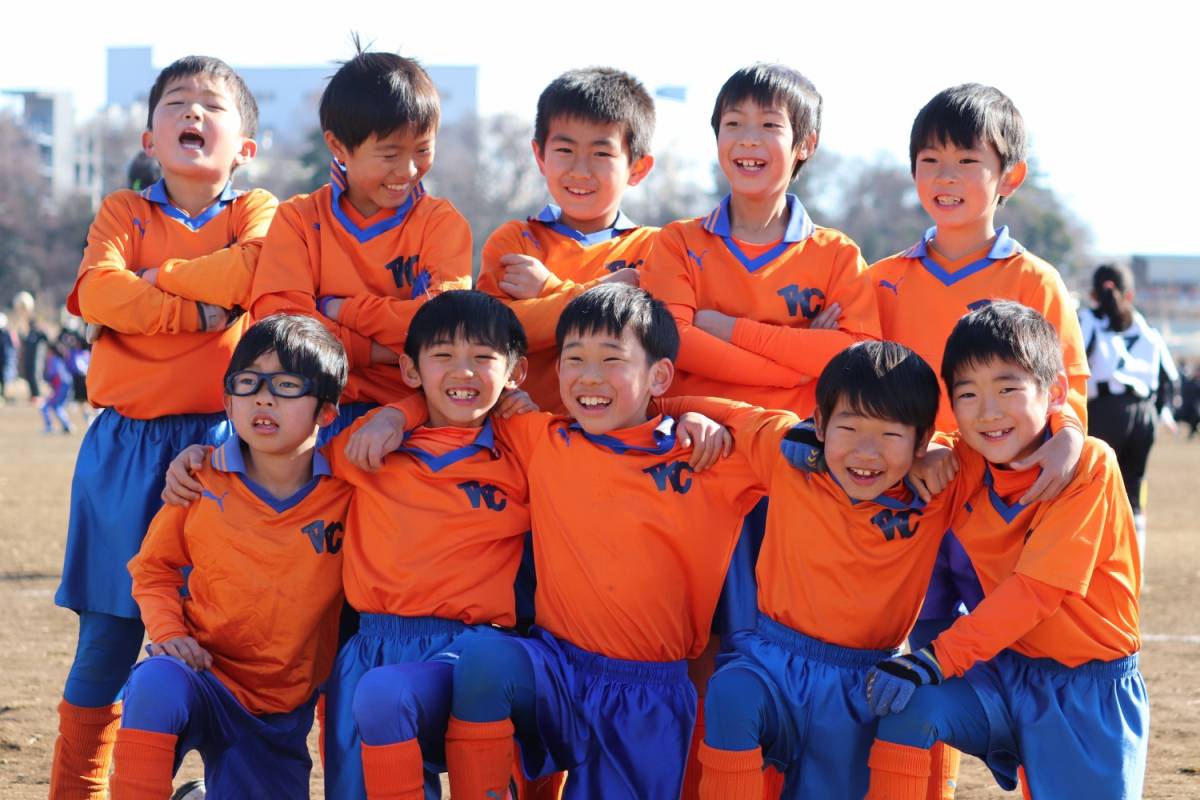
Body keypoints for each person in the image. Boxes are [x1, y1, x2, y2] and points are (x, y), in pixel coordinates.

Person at [356, 284, 762, 799]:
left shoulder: (708, 455)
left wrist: (696, 411)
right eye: (574, 359)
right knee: (485, 659)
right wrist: (395, 414)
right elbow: (454, 400)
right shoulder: (540, 436)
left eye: (611, 360)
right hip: (555, 668)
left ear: (658, 375)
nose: (589, 377)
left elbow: (789, 432)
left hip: (645, 690)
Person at [49, 55, 276, 799]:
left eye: (211, 104)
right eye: (177, 103)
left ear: (245, 146)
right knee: (108, 642)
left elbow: (252, 270)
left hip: (225, 445)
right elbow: (97, 292)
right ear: (150, 138)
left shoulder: (256, 213)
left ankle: (207, 786)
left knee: (221, 639)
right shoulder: (124, 211)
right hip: (124, 448)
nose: (193, 113)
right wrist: (198, 314)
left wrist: (156, 285)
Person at [867, 84, 1092, 797]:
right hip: (914, 505)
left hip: (1001, 512)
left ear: (1009, 177)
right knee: (919, 665)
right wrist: (919, 451)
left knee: (1018, 651)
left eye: (968, 161)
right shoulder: (884, 282)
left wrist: (1068, 436)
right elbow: (865, 396)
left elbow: (1070, 389)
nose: (947, 177)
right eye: (930, 160)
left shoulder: (1034, 280)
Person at [864, 302, 1147, 800]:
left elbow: (1036, 593)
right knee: (909, 710)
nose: (988, 411)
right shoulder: (963, 461)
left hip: (1088, 689)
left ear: (1054, 391)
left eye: (1007, 389)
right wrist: (917, 455)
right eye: (968, 394)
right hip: (1001, 671)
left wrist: (935, 659)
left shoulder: (1090, 467)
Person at [110, 314, 352, 799]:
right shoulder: (199, 480)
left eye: (286, 385)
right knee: (156, 684)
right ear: (227, 402)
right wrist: (169, 634)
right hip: (200, 674)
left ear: (326, 411)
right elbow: (153, 568)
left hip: (278, 709)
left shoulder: (349, 493)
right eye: (248, 383)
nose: (263, 398)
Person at [249, 45, 472, 437]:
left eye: (423, 149)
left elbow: (445, 330)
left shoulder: (442, 223)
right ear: (338, 146)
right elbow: (284, 333)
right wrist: (384, 350)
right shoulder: (298, 219)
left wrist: (342, 310)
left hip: (416, 417)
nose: (408, 169)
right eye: (389, 154)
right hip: (312, 418)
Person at [474, 67, 656, 412]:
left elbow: (647, 340)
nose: (580, 170)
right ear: (540, 156)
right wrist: (601, 292)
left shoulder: (657, 248)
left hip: (621, 439)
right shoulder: (515, 241)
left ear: (637, 168)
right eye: (565, 150)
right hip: (524, 431)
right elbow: (495, 337)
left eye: (601, 154)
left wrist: (547, 291)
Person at [1079, 262, 1179, 557]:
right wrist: (1161, 413)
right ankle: (1136, 568)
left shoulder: (1087, 319)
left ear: (1093, 294)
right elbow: (1169, 378)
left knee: (1092, 491)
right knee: (1133, 493)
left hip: (1104, 412)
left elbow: (1072, 363)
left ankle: (1096, 563)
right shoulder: (1147, 329)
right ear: (1130, 294)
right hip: (1143, 414)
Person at [41, 337, 75, 434]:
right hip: (64, 386)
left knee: (48, 406)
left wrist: (53, 387)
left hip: (61, 387)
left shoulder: (53, 361)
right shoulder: (58, 360)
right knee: (56, 407)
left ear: (51, 351)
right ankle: (66, 426)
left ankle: (51, 427)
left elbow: (55, 377)